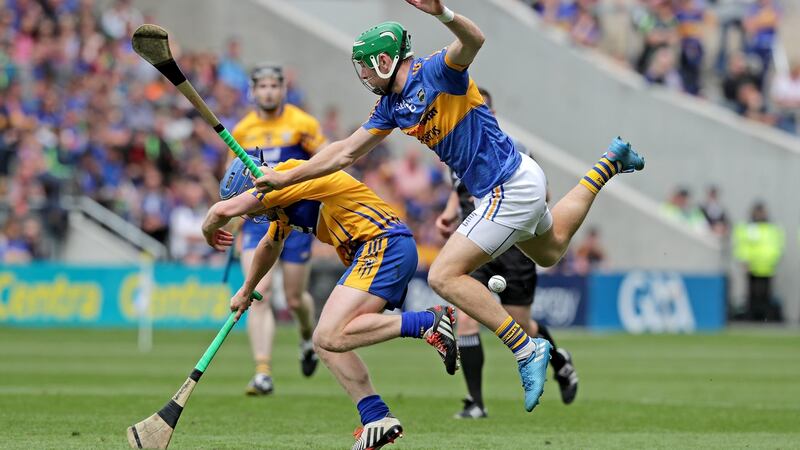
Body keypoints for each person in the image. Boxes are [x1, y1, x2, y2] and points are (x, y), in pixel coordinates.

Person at [253, 0, 645, 413]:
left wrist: (442, 13)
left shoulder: (437, 69)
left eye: (366, 67)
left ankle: (527, 350)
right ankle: (610, 163)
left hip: (507, 185)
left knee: (442, 275)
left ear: (385, 60)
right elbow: (345, 152)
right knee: (553, 248)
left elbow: (475, 40)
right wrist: (285, 177)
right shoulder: (390, 107)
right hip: (511, 184)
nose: (364, 76)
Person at [202, 156, 458, 449]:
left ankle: (428, 322)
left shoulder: (288, 176)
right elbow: (269, 245)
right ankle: (376, 418)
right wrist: (247, 289)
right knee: (326, 341)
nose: (253, 212)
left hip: (382, 244)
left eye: (248, 198)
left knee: (328, 334)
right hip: (380, 249)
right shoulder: (284, 202)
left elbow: (220, 212)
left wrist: (208, 230)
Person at [435, 87, 578, 419]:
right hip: (477, 244)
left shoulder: (514, 147)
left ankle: (561, 363)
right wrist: (448, 212)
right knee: (467, 320)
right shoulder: (457, 148)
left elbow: (542, 194)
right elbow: (461, 191)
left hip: (513, 247)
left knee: (521, 324)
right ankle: (475, 403)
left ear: (492, 115)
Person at [227, 64, 327, 395]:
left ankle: (305, 339)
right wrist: (230, 221)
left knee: (296, 298)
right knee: (260, 293)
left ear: (283, 89)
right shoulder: (242, 131)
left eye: (274, 85)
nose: (268, 91)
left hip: (296, 218)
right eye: (262, 86)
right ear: (253, 92)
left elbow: (325, 162)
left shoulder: (303, 124)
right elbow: (234, 183)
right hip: (257, 222)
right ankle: (263, 372)